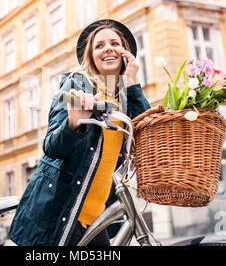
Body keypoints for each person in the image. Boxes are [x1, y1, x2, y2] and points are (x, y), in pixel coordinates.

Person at [8, 19, 150, 246]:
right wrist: (73, 124)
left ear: (125, 52)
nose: (108, 48)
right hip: (61, 211)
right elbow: (52, 147)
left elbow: (144, 136)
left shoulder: (125, 98)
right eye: (99, 45)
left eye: (114, 42)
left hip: (97, 216)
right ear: (91, 56)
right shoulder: (77, 86)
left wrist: (132, 81)